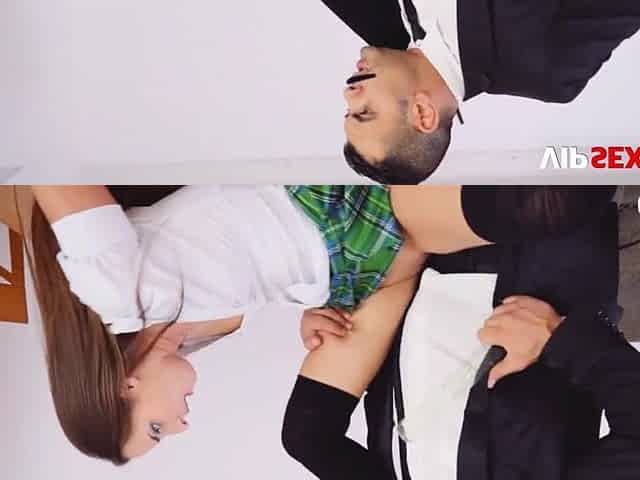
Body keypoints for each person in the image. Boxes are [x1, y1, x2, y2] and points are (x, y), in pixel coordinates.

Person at [27, 184, 614, 465]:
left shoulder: (117, 294)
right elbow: (248, 257)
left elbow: (46, 160)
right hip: (354, 267)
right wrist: (311, 308)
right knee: (551, 206)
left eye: (155, 428)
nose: (179, 426)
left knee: (550, 203)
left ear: (124, 387)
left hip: (330, 214)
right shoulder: (195, 335)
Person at [281, 195, 639, 479]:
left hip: (427, 240)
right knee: (560, 139)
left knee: (432, 130)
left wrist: (348, 304)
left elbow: (309, 436)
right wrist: (557, 337)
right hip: (547, 260)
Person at [322, 0, 640, 183]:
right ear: (422, 113)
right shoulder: (549, 69)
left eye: (349, 111)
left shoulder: (382, 25)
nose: (349, 93)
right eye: (364, 112)